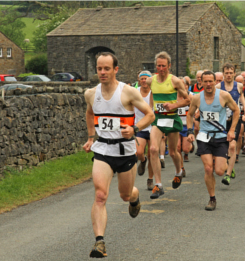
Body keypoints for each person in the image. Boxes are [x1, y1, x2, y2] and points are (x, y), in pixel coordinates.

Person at [83, 53, 155, 258]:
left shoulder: (128, 92)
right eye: (99, 69)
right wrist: (90, 137)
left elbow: (150, 114)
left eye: (107, 68)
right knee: (100, 195)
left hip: (125, 151)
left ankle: (134, 197)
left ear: (116, 69)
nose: (102, 72)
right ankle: (100, 243)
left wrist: (135, 128)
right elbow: (90, 113)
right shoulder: (91, 93)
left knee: (125, 195)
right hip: (103, 150)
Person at [186, 71, 240, 211]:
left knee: (220, 171)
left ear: (216, 81)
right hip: (204, 136)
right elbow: (190, 114)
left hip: (221, 136)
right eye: (206, 81)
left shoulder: (223, 95)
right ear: (201, 82)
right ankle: (212, 198)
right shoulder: (197, 98)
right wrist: (190, 131)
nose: (208, 84)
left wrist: (232, 130)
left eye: (211, 81)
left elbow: (236, 110)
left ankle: (225, 164)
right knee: (208, 168)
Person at [146, 51, 190, 199]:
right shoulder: (151, 80)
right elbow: (150, 93)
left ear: (169, 66)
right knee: (153, 149)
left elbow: (187, 100)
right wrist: (151, 108)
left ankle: (178, 172)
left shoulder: (175, 81)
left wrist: (173, 106)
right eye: (158, 65)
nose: (161, 68)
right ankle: (158, 185)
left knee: (172, 152)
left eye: (164, 66)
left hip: (171, 118)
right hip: (158, 119)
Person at [215, 63, 245, 185]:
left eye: (231, 73)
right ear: (223, 74)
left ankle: (228, 175)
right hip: (222, 121)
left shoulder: (239, 85)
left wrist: (244, 107)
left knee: (232, 146)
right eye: (226, 73)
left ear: (234, 73)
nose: (228, 75)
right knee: (224, 146)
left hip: (235, 119)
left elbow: (241, 97)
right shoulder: (218, 86)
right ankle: (230, 165)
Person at [135, 70, 155, 190]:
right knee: (139, 152)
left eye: (146, 78)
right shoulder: (135, 92)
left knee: (152, 153)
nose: (144, 81)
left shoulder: (154, 92)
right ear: (139, 80)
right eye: (141, 78)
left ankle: (150, 179)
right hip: (140, 126)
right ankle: (142, 161)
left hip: (153, 126)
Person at [177, 77, 194, 175]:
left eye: (185, 85)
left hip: (186, 125)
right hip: (176, 125)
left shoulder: (190, 96)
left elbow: (196, 108)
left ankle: (191, 147)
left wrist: (195, 114)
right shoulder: (173, 96)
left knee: (185, 149)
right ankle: (181, 168)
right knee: (178, 148)